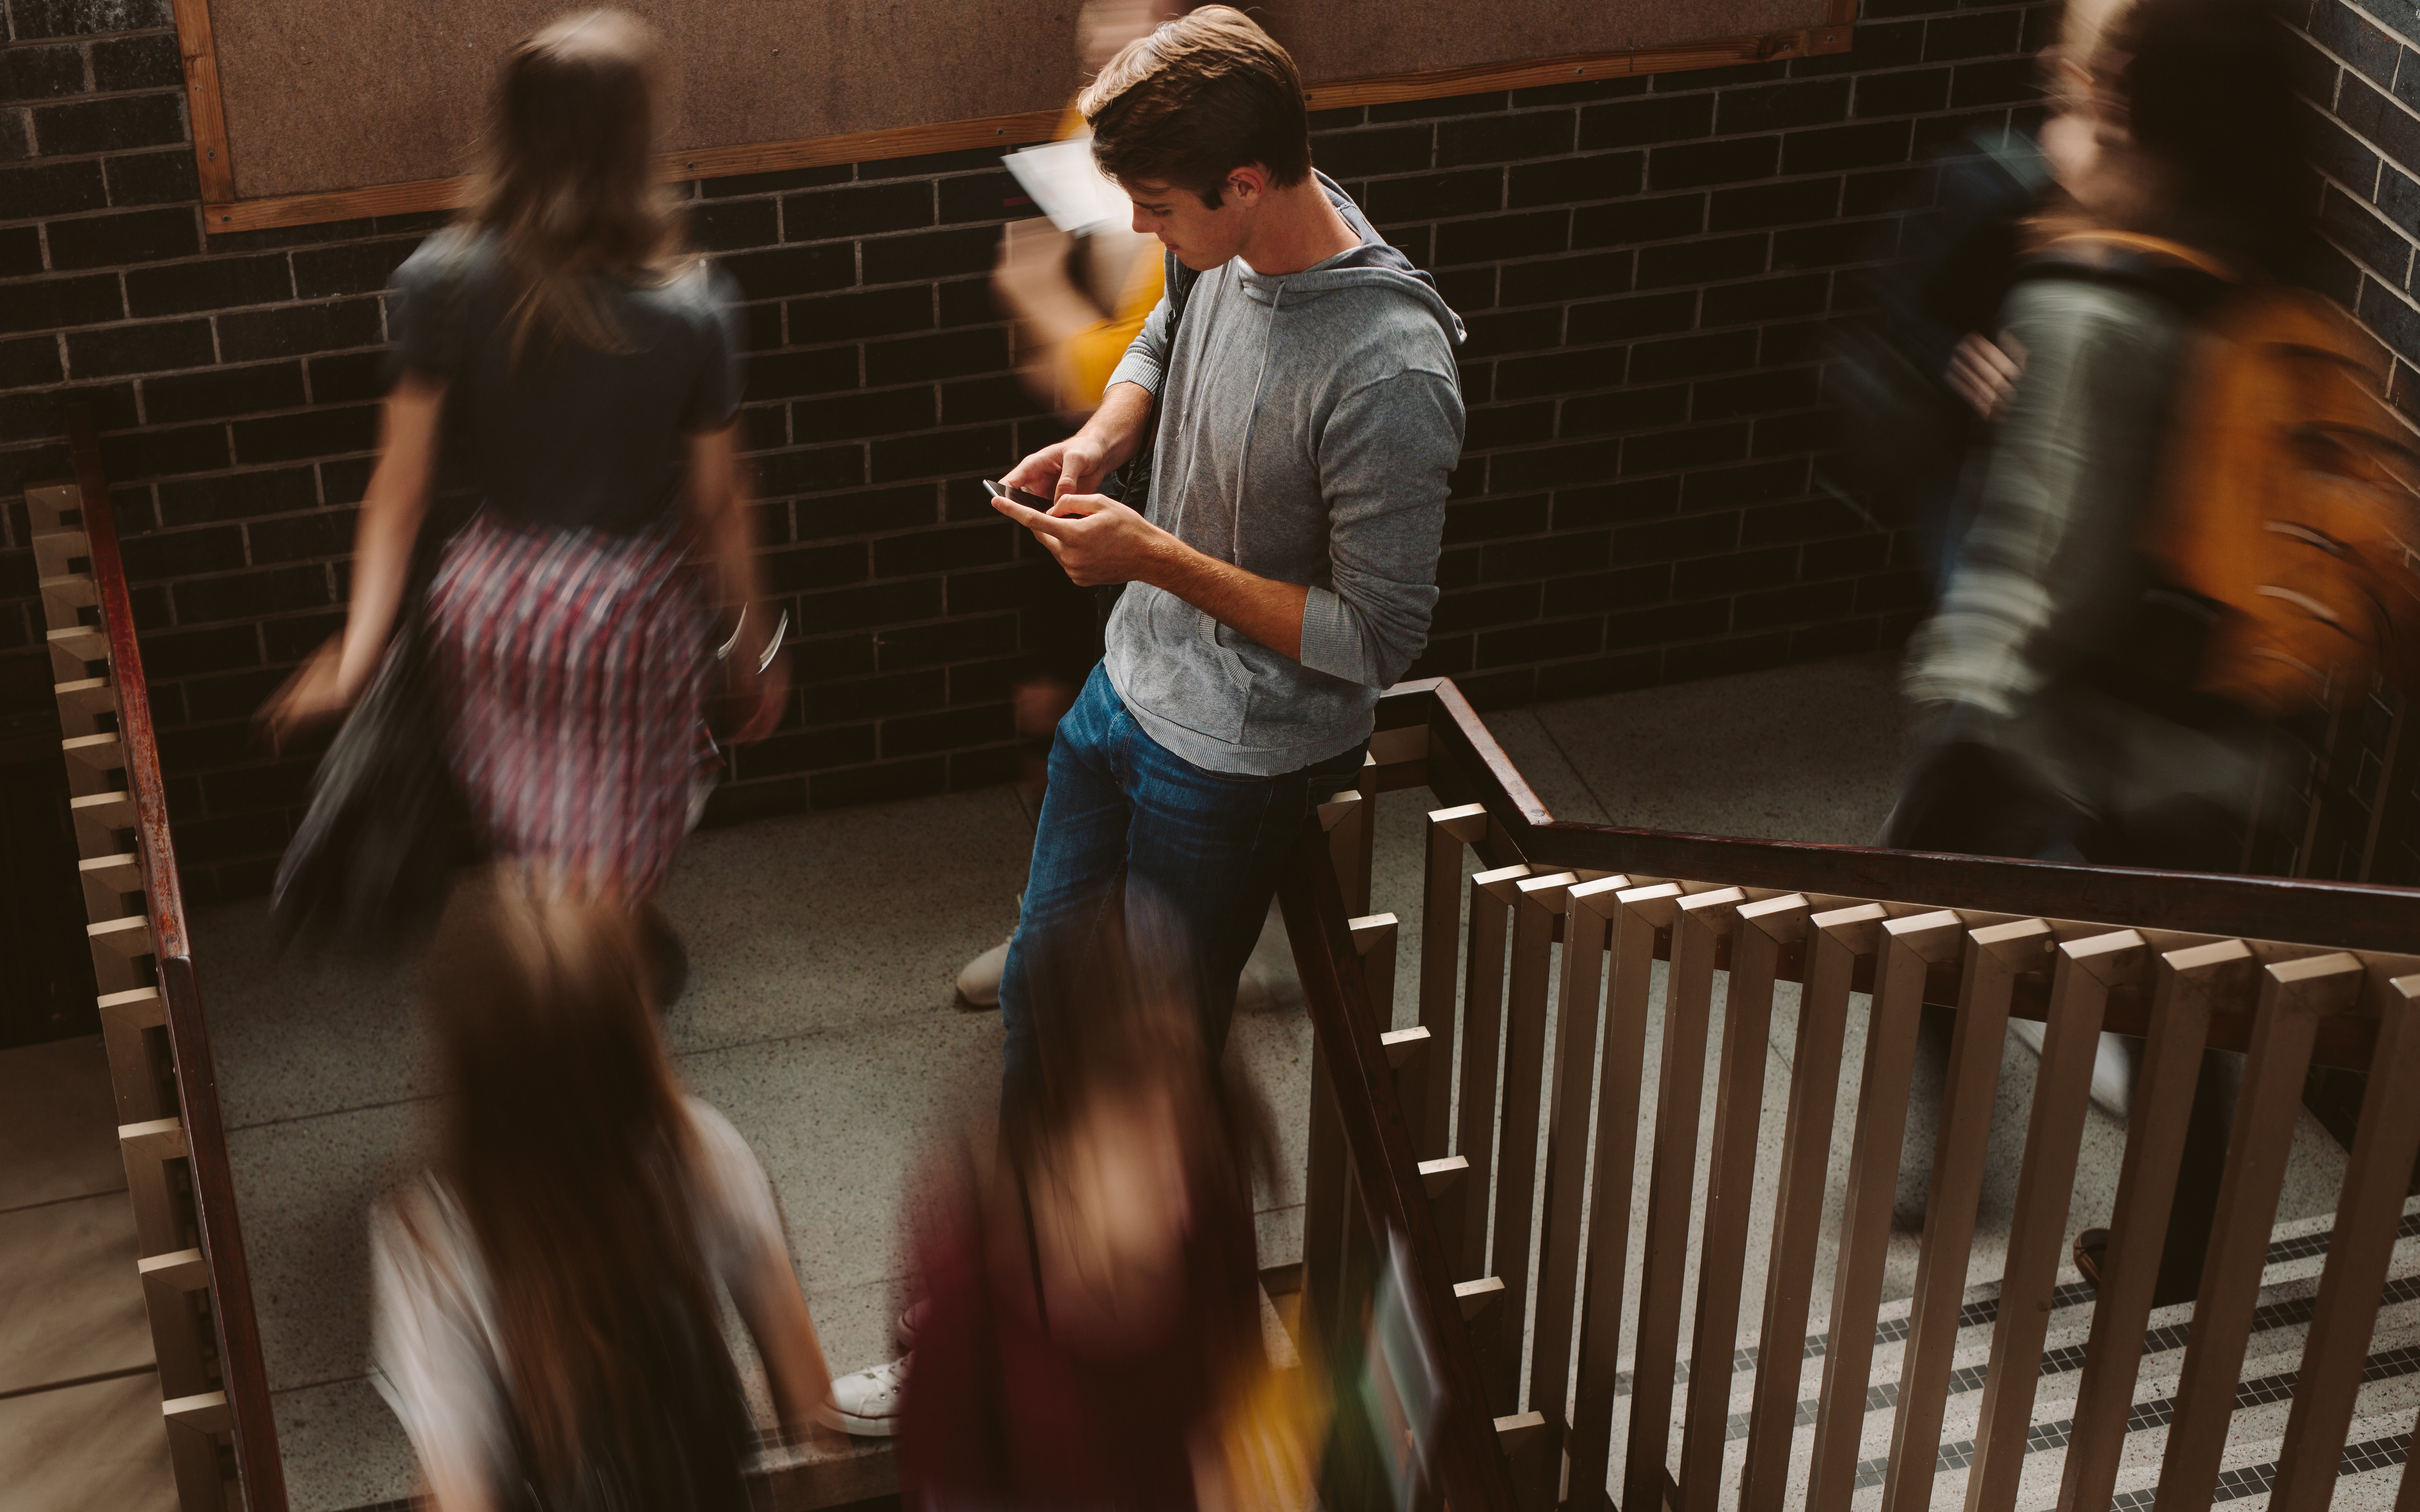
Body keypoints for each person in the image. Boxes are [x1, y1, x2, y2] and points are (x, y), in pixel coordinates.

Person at [1881, 0, 2309, 1303]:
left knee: (1917, 911)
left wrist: (1959, 686)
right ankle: (2176, 1262)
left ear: (2149, 113)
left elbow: (2049, 567)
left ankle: (1941, 1167)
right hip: (2226, 731)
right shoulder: (2270, 267)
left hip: (2070, 725)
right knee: (2184, 1002)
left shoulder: (2097, 292)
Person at [984, 5, 1466, 1101]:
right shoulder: (1234, 229)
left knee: (1148, 1070)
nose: (1148, 234)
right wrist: (1104, 434)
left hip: (1237, 753)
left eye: (1158, 210)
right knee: (1036, 999)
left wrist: (1153, 557)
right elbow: (1168, 317)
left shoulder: (1390, 375)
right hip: (1126, 686)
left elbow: (1379, 638)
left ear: (1245, 182)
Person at [261, 12, 786, 982]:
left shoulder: (438, 281)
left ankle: (557, 973)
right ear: (637, 140)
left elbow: (399, 489)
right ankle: (608, 981)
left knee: (535, 822)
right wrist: (754, 645)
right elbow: (718, 504)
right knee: (620, 826)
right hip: (628, 613)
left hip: (492, 603)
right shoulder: (696, 305)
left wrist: (359, 648)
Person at [370, 873, 836, 1511]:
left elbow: (467, 1493)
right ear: (637, 1036)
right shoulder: (701, 1153)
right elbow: (814, 1415)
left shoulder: (428, 1245)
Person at [893, 900, 1311, 1508]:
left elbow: (1232, 1410)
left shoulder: (1206, 1223)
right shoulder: (970, 1322)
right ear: (1053, 1140)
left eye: (1186, 1114)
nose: (1174, 1167)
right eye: (1133, 1130)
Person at [954, 0, 1196, 1011]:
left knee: (1141, 723)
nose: (1101, 27)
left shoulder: (1200, 154)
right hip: (1086, 481)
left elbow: (1137, 355)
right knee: (1053, 711)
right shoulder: (1099, 114)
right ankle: (1066, 926)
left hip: (1154, 491)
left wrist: (1047, 308)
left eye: (1135, 9)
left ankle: (1161, 943)